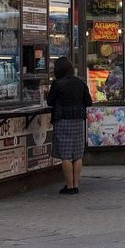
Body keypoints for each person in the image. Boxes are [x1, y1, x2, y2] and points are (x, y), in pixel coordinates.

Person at [46, 56, 93, 194]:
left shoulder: (57, 84)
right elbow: (88, 101)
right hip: (78, 121)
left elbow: (50, 102)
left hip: (62, 120)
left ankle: (69, 186)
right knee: (78, 154)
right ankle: (76, 184)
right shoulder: (80, 83)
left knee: (65, 155)